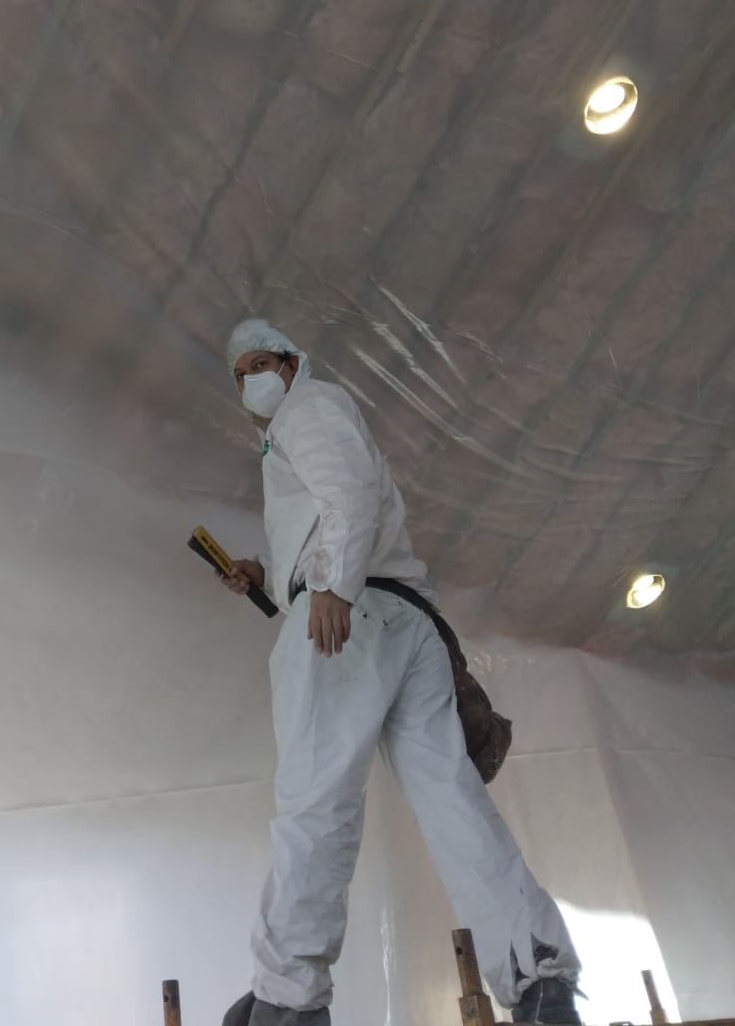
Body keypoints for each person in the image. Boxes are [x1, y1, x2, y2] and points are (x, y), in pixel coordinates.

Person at [217, 318, 582, 1026]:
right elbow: (335, 511)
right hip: (402, 619)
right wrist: (270, 574)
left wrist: (329, 583)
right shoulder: (305, 421)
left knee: (316, 800)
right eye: (239, 373)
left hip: (350, 615)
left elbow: (348, 492)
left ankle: (289, 995)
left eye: (260, 363)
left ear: (292, 364)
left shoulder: (307, 406)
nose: (249, 380)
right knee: (453, 803)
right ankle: (539, 977)